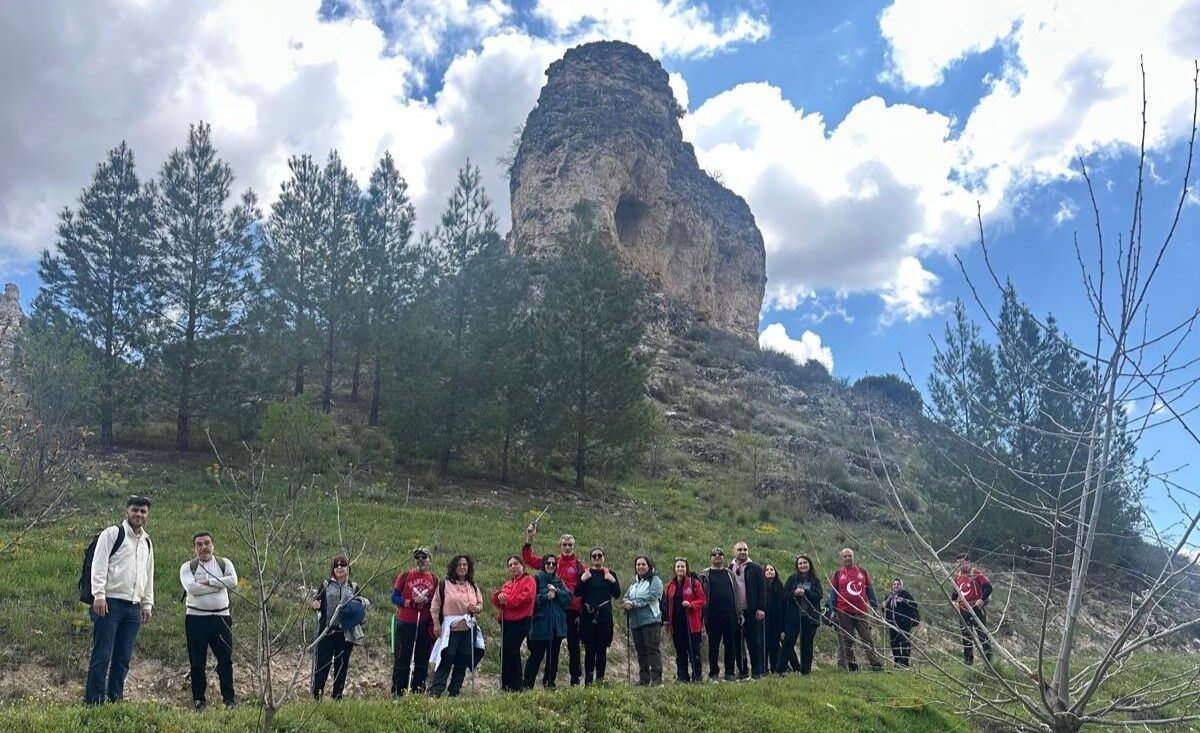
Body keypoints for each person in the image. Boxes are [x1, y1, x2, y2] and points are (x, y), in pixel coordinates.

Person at [85, 495, 155, 705]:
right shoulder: (113, 533)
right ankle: (94, 703)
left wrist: (147, 604)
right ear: (127, 511)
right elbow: (99, 564)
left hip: (133, 607)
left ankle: (115, 700)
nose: (138, 514)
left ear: (147, 514)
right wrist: (99, 595)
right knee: (102, 655)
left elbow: (148, 574)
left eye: (143, 511)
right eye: (135, 510)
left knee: (123, 658)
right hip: (109, 604)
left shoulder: (147, 541)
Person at [179, 531, 238, 710]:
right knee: (197, 662)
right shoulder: (188, 567)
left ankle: (229, 700)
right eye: (199, 544)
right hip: (196, 619)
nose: (204, 547)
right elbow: (192, 588)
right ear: (194, 548)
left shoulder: (224, 563)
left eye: (207, 543)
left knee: (225, 660)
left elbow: (233, 581)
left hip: (221, 618)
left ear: (213, 544)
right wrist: (219, 585)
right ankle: (199, 700)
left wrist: (206, 582)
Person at [523, 524, 586, 685]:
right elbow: (529, 558)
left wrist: (582, 612)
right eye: (564, 544)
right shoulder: (552, 562)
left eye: (570, 545)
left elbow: (584, 588)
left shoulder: (579, 566)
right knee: (551, 648)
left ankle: (575, 678)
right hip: (552, 610)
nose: (567, 547)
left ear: (574, 546)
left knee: (573, 646)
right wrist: (530, 537)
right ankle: (546, 681)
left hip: (572, 610)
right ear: (560, 545)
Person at [311, 553, 370, 700]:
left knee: (341, 665)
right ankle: (317, 696)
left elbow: (361, 605)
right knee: (322, 664)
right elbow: (317, 602)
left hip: (345, 632)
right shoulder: (326, 585)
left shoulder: (353, 586)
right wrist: (315, 605)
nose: (339, 567)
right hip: (326, 631)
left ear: (348, 568)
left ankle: (337, 697)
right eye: (336, 565)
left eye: (342, 564)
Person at [428, 554, 485, 697]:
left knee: (463, 660)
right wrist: (436, 624)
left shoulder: (473, 586)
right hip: (451, 630)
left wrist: (476, 609)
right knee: (446, 659)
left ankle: (454, 692)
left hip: (468, 630)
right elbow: (435, 606)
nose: (462, 567)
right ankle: (436, 692)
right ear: (454, 567)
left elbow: (480, 604)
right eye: (459, 565)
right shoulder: (445, 585)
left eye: (465, 565)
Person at [827, 547, 884, 672]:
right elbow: (833, 593)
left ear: (853, 557)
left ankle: (875, 665)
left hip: (861, 611)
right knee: (847, 640)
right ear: (841, 559)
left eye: (850, 556)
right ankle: (852, 665)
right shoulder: (838, 574)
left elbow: (869, 590)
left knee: (867, 639)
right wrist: (832, 610)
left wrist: (875, 607)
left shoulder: (862, 572)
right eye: (845, 556)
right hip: (843, 612)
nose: (847, 558)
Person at [390, 547, 437, 696]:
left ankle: (418, 693)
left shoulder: (434, 579)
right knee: (402, 659)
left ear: (429, 560)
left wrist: (427, 600)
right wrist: (409, 602)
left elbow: (437, 602)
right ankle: (398, 692)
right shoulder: (404, 576)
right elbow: (394, 597)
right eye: (418, 557)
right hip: (406, 622)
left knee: (422, 661)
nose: (421, 560)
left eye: (424, 557)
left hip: (424, 624)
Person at [574, 546, 620, 685]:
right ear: (591, 558)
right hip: (587, 616)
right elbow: (577, 592)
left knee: (602, 648)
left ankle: (600, 679)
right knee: (589, 649)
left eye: (599, 555)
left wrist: (612, 580)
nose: (597, 558)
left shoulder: (610, 573)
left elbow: (617, 594)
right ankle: (588, 680)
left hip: (604, 616)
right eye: (594, 556)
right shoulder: (585, 573)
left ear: (604, 557)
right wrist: (583, 579)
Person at [524, 554, 571, 689]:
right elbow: (530, 601)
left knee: (553, 657)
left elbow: (569, 598)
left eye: (553, 564)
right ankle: (527, 685)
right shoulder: (536, 579)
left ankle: (549, 683)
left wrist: (557, 592)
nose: (551, 566)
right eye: (548, 563)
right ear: (543, 564)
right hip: (540, 625)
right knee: (536, 656)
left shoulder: (559, 581)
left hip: (556, 626)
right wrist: (546, 596)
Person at [492, 555, 536, 691]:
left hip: (520, 621)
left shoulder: (529, 580)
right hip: (506, 621)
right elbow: (499, 602)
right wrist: (498, 596)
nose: (513, 567)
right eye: (510, 565)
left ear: (522, 565)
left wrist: (506, 600)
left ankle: (511, 685)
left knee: (508, 650)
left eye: (516, 563)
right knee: (510, 652)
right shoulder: (508, 584)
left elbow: (525, 598)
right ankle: (512, 685)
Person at [622, 555, 664, 685]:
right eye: (638, 564)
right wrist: (626, 603)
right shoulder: (634, 584)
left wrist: (633, 603)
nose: (640, 566)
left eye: (643, 564)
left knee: (652, 649)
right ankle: (644, 679)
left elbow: (652, 596)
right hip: (636, 622)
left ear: (649, 566)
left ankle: (657, 680)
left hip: (651, 620)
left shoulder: (655, 580)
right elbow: (626, 597)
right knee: (641, 651)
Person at [698, 547, 738, 681]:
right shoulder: (704, 575)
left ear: (723, 557)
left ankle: (730, 673)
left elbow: (736, 593)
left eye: (720, 554)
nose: (717, 556)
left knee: (730, 644)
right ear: (710, 557)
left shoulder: (730, 574)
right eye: (714, 554)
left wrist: (738, 612)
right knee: (713, 645)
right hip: (712, 614)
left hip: (730, 614)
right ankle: (713, 673)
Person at [663, 557, 705, 682]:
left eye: (682, 566)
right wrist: (667, 620)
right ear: (674, 569)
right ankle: (682, 676)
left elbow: (702, 600)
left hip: (691, 623)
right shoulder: (670, 585)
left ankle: (697, 676)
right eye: (678, 566)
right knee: (680, 651)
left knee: (694, 651)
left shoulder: (694, 583)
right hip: (676, 624)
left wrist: (691, 605)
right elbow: (666, 604)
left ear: (686, 568)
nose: (680, 568)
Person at [730, 541, 767, 678]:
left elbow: (762, 589)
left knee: (754, 642)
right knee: (738, 643)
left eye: (745, 549)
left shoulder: (755, 568)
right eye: (739, 549)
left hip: (752, 611)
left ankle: (757, 671)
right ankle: (742, 671)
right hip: (735, 612)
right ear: (734, 551)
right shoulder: (729, 568)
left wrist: (761, 608)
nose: (743, 552)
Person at [781, 554, 823, 675]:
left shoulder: (815, 580)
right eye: (800, 563)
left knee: (807, 644)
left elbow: (819, 596)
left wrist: (806, 592)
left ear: (809, 564)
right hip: (794, 617)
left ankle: (806, 671)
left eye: (805, 563)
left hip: (810, 618)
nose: (803, 565)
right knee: (788, 642)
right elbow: (784, 595)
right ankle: (780, 669)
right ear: (797, 566)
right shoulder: (792, 579)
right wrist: (794, 593)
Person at [950, 555, 993, 665]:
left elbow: (988, 587)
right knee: (966, 635)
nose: (960, 564)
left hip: (976, 608)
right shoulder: (958, 576)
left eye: (962, 562)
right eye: (958, 562)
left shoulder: (976, 573)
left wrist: (982, 599)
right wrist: (954, 601)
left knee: (982, 634)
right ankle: (968, 661)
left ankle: (989, 662)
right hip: (963, 609)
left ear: (968, 562)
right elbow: (955, 592)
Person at [762, 563, 794, 675]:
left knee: (775, 646)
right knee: (764, 646)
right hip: (764, 621)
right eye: (767, 569)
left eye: (772, 569)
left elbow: (784, 606)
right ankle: (763, 669)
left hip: (777, 621)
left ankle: (775, 668)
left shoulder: (780, 587)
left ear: (775, 572)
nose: (769, 571)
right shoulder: (761, 587)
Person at [883, 578, 920, 667]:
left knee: (904, 642)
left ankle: (905, 663)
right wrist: (883, 606)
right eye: (894, 584)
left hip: (904, 622)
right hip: (892, 623)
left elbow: (914, 605)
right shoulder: (889, 596)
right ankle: (897, 662)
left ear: (901, 585)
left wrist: (915, 618)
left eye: (898, 584)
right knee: (894, 642)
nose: (896, 586)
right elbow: (885, 609)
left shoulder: (905, 594)